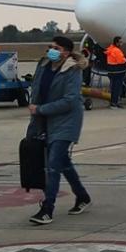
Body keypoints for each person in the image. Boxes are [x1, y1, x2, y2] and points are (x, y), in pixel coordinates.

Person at [27, 36, 92, 225]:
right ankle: (82, 196)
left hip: (66, 121)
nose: (50, 50)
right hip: (44, 120)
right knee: (63, 162)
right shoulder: (44, 65)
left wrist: (41, 109)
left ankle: (48, 208)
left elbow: (70, 100)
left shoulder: (72, 70)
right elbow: (37, 89)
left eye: (55, 48)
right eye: (49, 47)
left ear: (66, 52)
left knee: (53, 164)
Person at [105, 36, 126, 109]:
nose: (122, 43)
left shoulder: (110, 49)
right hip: (118, 71)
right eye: (120, 42)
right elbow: (121, 60)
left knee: (113, 87)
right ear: (117, 43)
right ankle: (114, 103)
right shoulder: (117, 50)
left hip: (112, 71)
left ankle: (113, 102)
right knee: (117, 88)